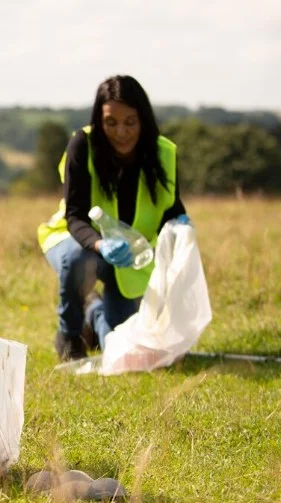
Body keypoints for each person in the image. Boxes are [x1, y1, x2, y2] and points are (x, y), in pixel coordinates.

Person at [37, 75, 189, 361]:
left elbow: (171, 207)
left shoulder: (164, 153)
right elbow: (75, 215)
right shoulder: (82, 145)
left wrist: (182, 223)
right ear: (99, 119)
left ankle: (94, 313)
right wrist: (100, 245)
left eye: (130, 122)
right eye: (111, 122)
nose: (121, 132)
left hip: (129, 256)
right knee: (80, 259)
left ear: (143, 120)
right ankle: (69, 337)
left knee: (123, 352)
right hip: (77, 242)